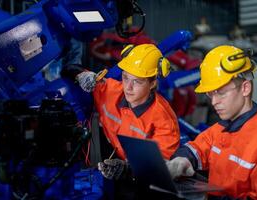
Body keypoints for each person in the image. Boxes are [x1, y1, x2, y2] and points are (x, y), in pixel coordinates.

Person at [166, 45, 257, 200]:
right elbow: (197, 148)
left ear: (245, 88)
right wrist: (183, 159)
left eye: (220, 92)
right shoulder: (221, 128)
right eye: (210, 94)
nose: (214, 102)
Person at [62, 44, 180, 199]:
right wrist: (82, 75)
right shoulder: (111, 92)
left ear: (153, 83)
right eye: (125, 78)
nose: (128, 88)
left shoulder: (164, 122)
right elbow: (69, 69)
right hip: (111, 159)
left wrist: (126, 169)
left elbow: (158, 168)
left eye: (137, 81)